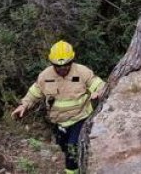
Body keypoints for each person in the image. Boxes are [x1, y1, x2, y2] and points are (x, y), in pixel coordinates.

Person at [11, 40, 107, 174]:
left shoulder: (82, 71)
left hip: (80, 118)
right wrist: (24, 105)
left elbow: (100, 85)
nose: (62, 68)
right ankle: (80, 164)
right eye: (58, 66)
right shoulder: (45, 76)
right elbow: (35, 92)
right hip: (58, 122)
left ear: (71, 60)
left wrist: (98, 92)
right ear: (52, 63)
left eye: (66, 65)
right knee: (65, 148)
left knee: (72, 148)